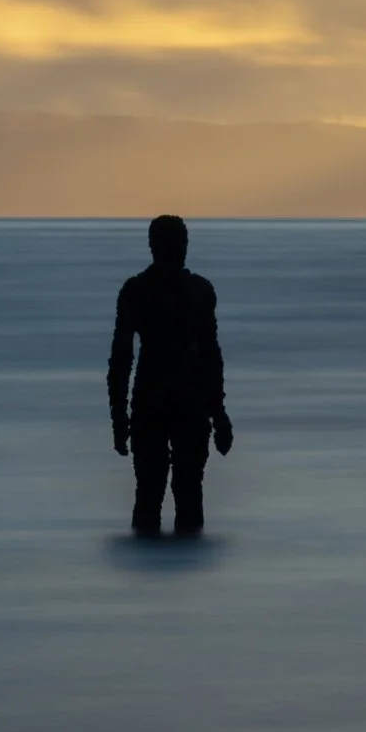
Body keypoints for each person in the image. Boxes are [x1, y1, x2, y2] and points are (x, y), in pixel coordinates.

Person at [108, 214, 233, 537]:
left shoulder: (137, 291)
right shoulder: (197, 291)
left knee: (152, 491)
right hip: (187, 402)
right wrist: (218, 414)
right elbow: (210, 357)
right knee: (185, 491)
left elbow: (121, 361)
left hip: (154, 401)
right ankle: (185, 567)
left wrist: (119, 419)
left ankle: (150, 566)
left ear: (152, 247)